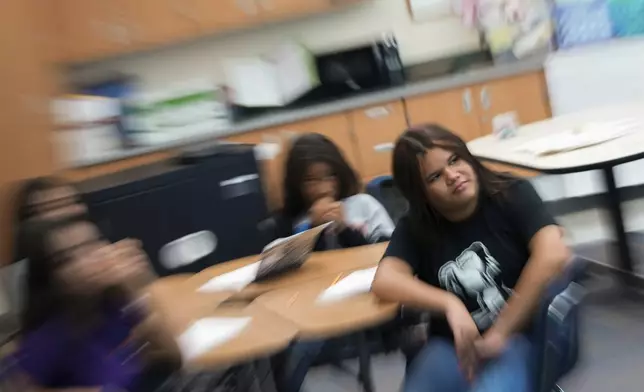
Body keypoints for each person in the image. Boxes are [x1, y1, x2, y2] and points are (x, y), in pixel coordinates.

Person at [371, 124, 571, 392]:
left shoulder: (510, 193)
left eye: (455, 160)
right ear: (422, 195)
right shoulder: (416, 226)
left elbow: (553, 254)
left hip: (525, 334)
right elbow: (385, 280)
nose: (453, 175)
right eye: (435, 177)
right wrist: (449, 303)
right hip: (457, 345)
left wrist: (501, 331)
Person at [273, 133, 395, 392]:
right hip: (313, 305)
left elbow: (388, 251)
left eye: (329, 176)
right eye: (310, 180)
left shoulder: (363, 205)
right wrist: (315, 231)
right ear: (296, 184)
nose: (322, 187)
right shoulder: (291, 222)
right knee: (300, 345)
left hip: (365, 293)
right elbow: (285, 268)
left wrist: (344, 229)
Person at [10, 216, 176, 392]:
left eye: (93, 244)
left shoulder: (115, 302)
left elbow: (172, 358)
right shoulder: (48, 337)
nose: (94, 258)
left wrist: (137, 287)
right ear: (50, 276)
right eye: (67, 258)